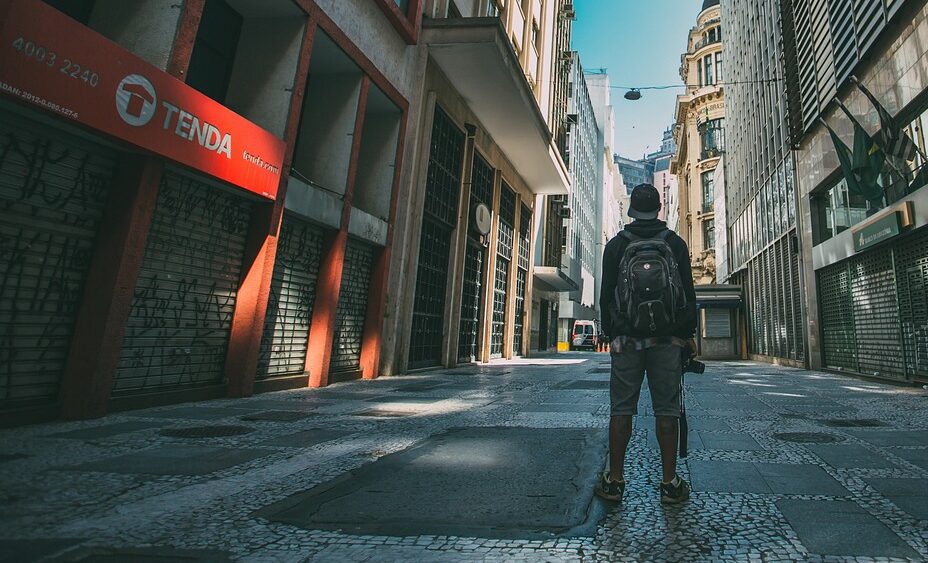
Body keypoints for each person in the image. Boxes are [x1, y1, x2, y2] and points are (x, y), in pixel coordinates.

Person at [595, 183, 697, 504]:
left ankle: (614, 480)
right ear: (659, 209)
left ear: (631, 211)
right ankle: (669, 483)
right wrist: (687, 334)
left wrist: (612, 332)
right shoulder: (675, 244)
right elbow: (688, 296)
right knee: (666, 409)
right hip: (667, 339)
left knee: (621, 409)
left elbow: (606, 294)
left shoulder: (615, 246)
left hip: (626, 339)